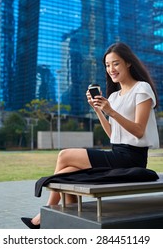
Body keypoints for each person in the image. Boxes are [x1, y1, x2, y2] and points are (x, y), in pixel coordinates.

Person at [21, 42, 159, 229]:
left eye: (116, 63)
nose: (111, 69)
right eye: (108, 65)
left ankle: (45, 213)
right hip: (117, 152)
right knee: (64, 174)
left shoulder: (142, 89)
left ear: (128, 63)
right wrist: (98, 111)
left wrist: (111, 111)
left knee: (64, 155)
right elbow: (114, 135)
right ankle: (61, 224)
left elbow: (138, 130)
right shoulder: (114, 96)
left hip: (132, 158)